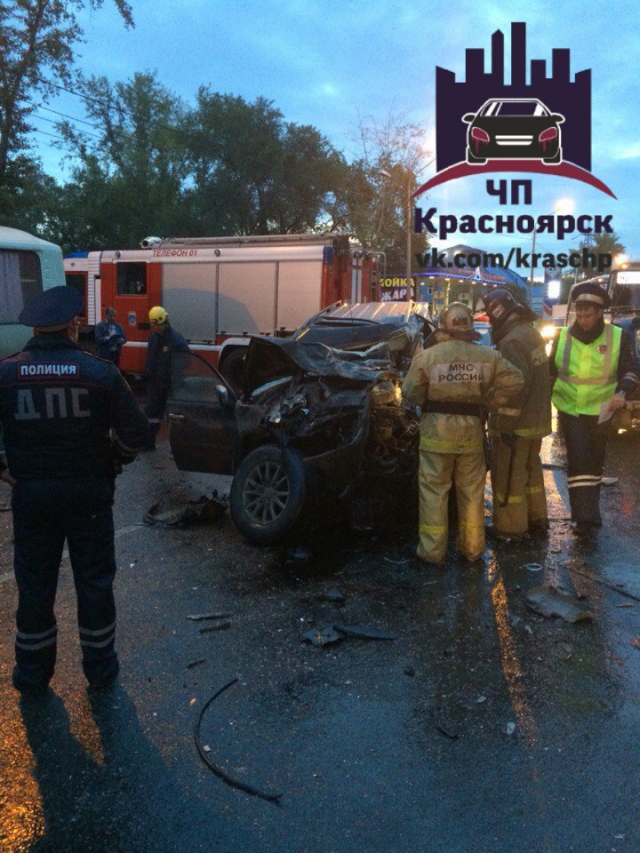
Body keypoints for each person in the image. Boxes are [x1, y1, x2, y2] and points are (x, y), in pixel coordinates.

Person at [0, 286, 148, 695]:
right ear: (72, 326)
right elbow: (137, 432)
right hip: (89, 496)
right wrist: (114, 461)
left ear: (34, 328)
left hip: (32, 497)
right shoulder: (99, 372)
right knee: (95, 582)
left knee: (34, 585)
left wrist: (5, 469)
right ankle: (101, 671)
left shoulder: (7, 373)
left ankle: (32, 674)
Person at [402, 302, 524, 566]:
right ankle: (472, 549)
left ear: (443, 327)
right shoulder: (487, 356)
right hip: (470, 434)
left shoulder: (428, 356)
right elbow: (515, 380)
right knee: (471, 492)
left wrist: (430, 403)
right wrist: (489, 402)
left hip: (436, 435)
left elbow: (410, 392)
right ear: (470, 326)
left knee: (434, 492)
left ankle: (432, 552)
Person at [549, 281, 639, 534]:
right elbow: (550, 371)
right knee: (579, 460)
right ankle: (582, 516)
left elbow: (631, 370)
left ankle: (592, 512)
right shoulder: (562, 336)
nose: (583, 320)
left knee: (595, 461)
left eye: (588, 315)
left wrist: (621, 393)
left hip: (602, 410)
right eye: (579, 314)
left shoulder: (617, 336)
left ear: (599, 313)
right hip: (570, 408)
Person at [480, 287, 552, 539]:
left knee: (509, 477)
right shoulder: (531, 333)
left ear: (498, 314)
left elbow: (515, 387)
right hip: (536, 421)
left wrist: (504, 425)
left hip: (517, 425)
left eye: (490, 318)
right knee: (530, 473)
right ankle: (536, 518)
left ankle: (510, 529)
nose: (491, 323)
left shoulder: (511, 342)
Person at [143, 306, 190, 449]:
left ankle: (180, 446)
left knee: (175, 415)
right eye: (155, 325)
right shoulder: (154, 337)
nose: (157, 327)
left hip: (170, 384)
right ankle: (148, 442)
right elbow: (151, 357)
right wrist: (149, 372)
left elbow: (186, 358)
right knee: (152, 414)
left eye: (159, 324)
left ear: (165, 321)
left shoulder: (176, 339)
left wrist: (173, 373)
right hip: (155, 383)